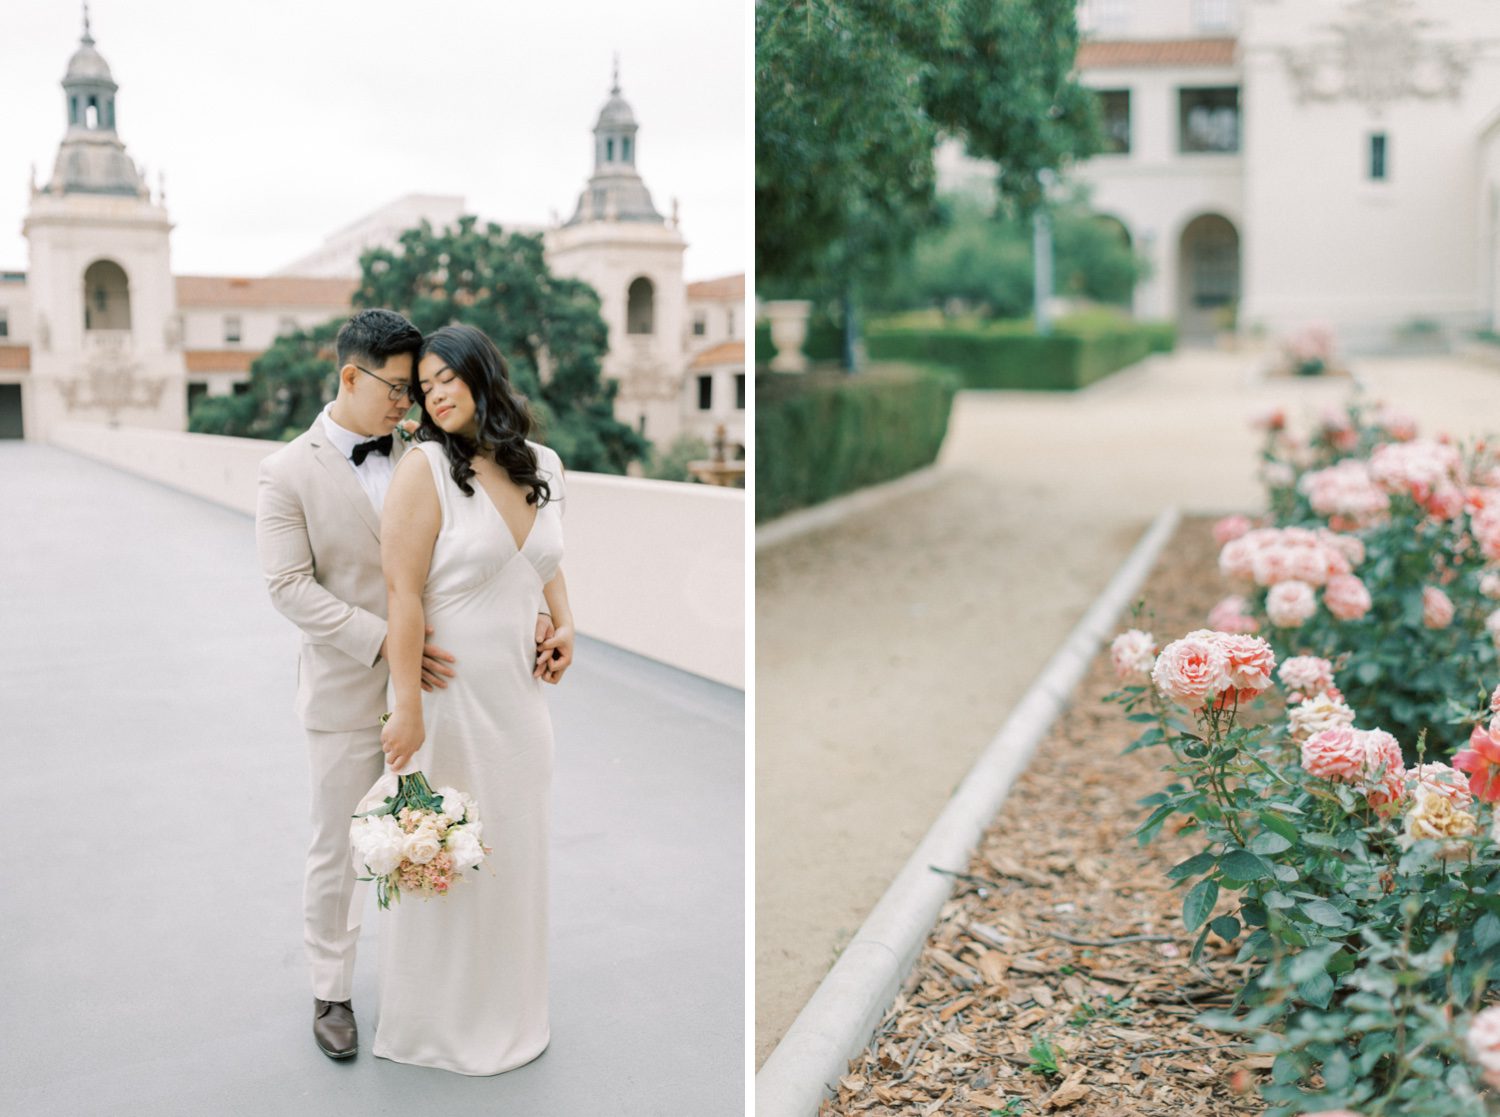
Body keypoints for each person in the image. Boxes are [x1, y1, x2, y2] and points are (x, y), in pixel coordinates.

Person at [253, 308, 553, 1061]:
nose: (408, 402)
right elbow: (288, 586)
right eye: (397, 388)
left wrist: (544, 611)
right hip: (350, 688)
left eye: (414, 390)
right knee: (340, 844)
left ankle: (446, 990)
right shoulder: (287, 471)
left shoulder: (431, 449)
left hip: (451, 693)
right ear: (349, 376)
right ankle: (332, 990)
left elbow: (495, 543)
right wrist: (390, 642)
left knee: (442, 841)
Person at [375, 323, 573, 1075]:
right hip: (449, 699)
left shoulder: (543, 464)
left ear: (481, 374)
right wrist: (406, 705)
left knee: (515, 851)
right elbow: (402, 593)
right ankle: (441, 1024)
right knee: (449, 856)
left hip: (520, 702)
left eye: (445, 378)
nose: (434, 395)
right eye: (423, 387)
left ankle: (512, 1009)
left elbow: (546, 560)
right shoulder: (424, 468)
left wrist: (566, 620)